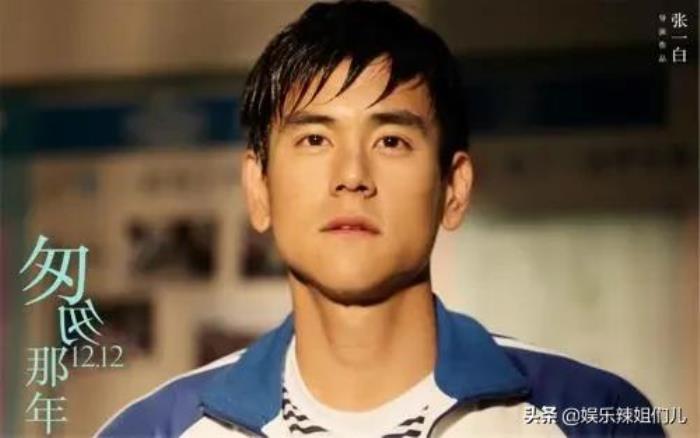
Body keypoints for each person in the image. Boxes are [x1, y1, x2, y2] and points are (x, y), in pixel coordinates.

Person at [97, 1, 665, 436]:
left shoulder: (590, 415)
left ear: (454, 188)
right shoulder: (156, 430)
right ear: (259, 188)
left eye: (391, 140)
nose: (352, 175)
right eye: (315, 139)